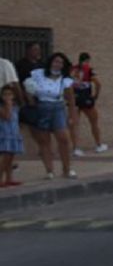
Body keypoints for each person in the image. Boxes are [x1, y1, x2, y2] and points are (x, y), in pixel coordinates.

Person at [25, 52, 76, 180]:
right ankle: (49, 170)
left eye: (61, 62)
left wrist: (72, 115)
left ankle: (67, 169)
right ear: (50, 62)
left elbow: (70, 98)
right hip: (42, 107)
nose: (57, 64)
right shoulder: (39, 74)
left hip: (58, 107)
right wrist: (31, 100)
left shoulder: (65, 79)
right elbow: (27, 86)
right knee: (44, 141)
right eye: (55, 61)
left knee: (63, 139)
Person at [70, 52, 108, 156]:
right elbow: (98, 84)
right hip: (86, 98)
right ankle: (99, 145)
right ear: (87, 60)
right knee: (94, 122)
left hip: (74, 99)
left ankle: (76, 149)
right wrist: (96, 95)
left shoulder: (72, 69)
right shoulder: (89, 70)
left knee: (74, 124)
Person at [0, 84, 24, 187]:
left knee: (10, 159)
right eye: (5, 94)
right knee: (5, 158)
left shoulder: (16, 106)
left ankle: (9, 178)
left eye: (10, 94)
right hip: (5, 134)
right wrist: (8, 105)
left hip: (14, 133)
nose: (7, 96)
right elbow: (7, 116)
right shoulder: (2, 107)